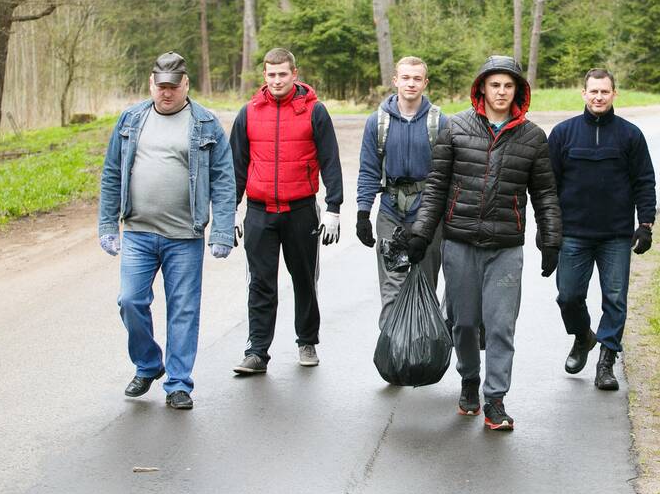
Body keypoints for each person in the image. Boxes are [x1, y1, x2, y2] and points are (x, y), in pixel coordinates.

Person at [408, 55, 562, 431]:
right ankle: (469, 381)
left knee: (500, 326)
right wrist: (420, 235)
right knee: (463, 323)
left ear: (518, 91)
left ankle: (495, 399)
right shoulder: (456, 128)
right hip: (459, 242)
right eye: (495, 84)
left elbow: (545, 194)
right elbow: (436, 188)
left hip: (505, 247)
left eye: (508, 85)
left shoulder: (532, 137)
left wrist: (550, 238)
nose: (501, 92)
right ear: (482, 87)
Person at [98, 52, 235, 411]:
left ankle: (178, 383)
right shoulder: (131, 120)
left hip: (184, 236)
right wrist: (108, 224)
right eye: (161, 86)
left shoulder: (205, 123)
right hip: (139, 233)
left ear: (186, 84)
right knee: (130, 300)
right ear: (151, 83)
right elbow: (112, 172)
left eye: (174, 86)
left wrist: (221, 232)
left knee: (183, 310)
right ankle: (148, 364)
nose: (167, 93)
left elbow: (224, 180)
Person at [229, 48, 344, 374]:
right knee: (260, 283)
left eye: (283, 74)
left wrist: (334, 206)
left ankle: (306, 340)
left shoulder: (314, 112)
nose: (277, 80)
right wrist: (232, 209)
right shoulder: (248, 113)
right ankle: (257, 352)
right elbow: (237, 166)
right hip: (260, 212)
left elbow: (330, 161)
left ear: (294, 74)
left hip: (301, 210)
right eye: (271, 74)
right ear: (264, 76)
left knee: (304, 279)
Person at [547, 69, 656, 391]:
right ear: (583, 93)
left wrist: (645, 224)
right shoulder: (563, 134)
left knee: (615, 299)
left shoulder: (630, 135)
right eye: (593, 91)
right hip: (573, 234)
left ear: (614, 94)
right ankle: (583, 336)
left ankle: (606, 361)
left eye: (604, 92)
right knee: (568, 296)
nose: (598, 97)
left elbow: (644, 182)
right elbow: (548, 186)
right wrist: (548, 231)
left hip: (616, 235)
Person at [357, 56, 448, 327]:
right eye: (405, 78)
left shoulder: (440, 123)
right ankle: (391, 353)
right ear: (395, 80)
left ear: (425, 83)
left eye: (417, 79)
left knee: (424, 286)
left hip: (428, 214)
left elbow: (447, 176)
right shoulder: (378, 122)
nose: (411, 84)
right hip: (390, 213)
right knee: (393, 289)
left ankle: (422, 350)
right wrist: (363, 212)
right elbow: (368, 170)